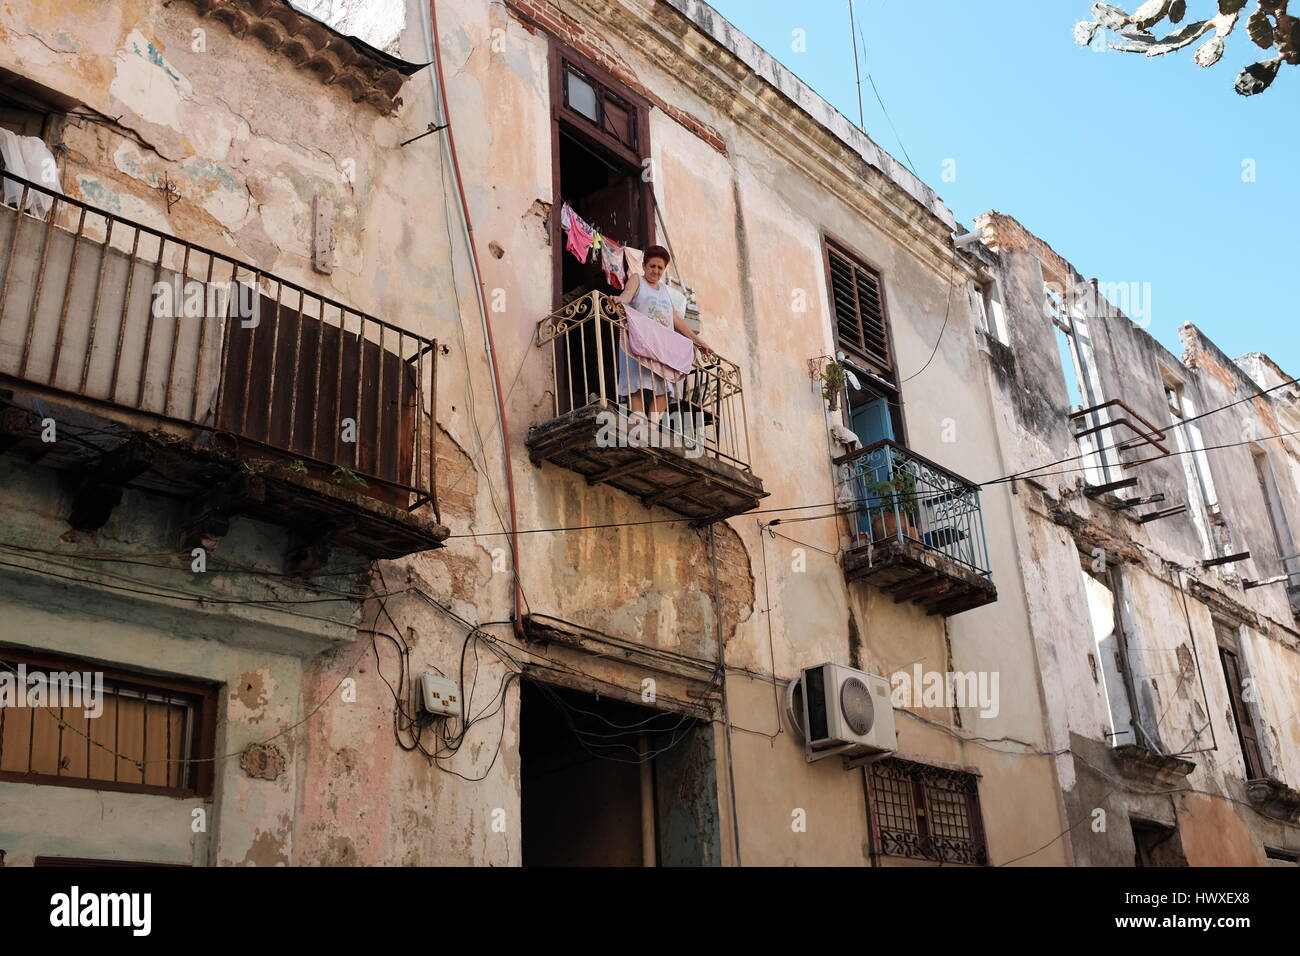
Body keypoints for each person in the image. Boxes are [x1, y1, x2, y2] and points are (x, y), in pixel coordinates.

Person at [613, 245, 712, 419]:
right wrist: (619, 299)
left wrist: (700, 342)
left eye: (660, 268)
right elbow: (627, 295)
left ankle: (652, 426)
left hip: (661, 346)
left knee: (665, 385)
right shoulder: (637, 279)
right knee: (637, 383)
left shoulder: (666, 291)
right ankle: (638, 422)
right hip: (639, 340)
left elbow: (677, 322)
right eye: (652, 266)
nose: (656, 271)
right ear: (644, 266)